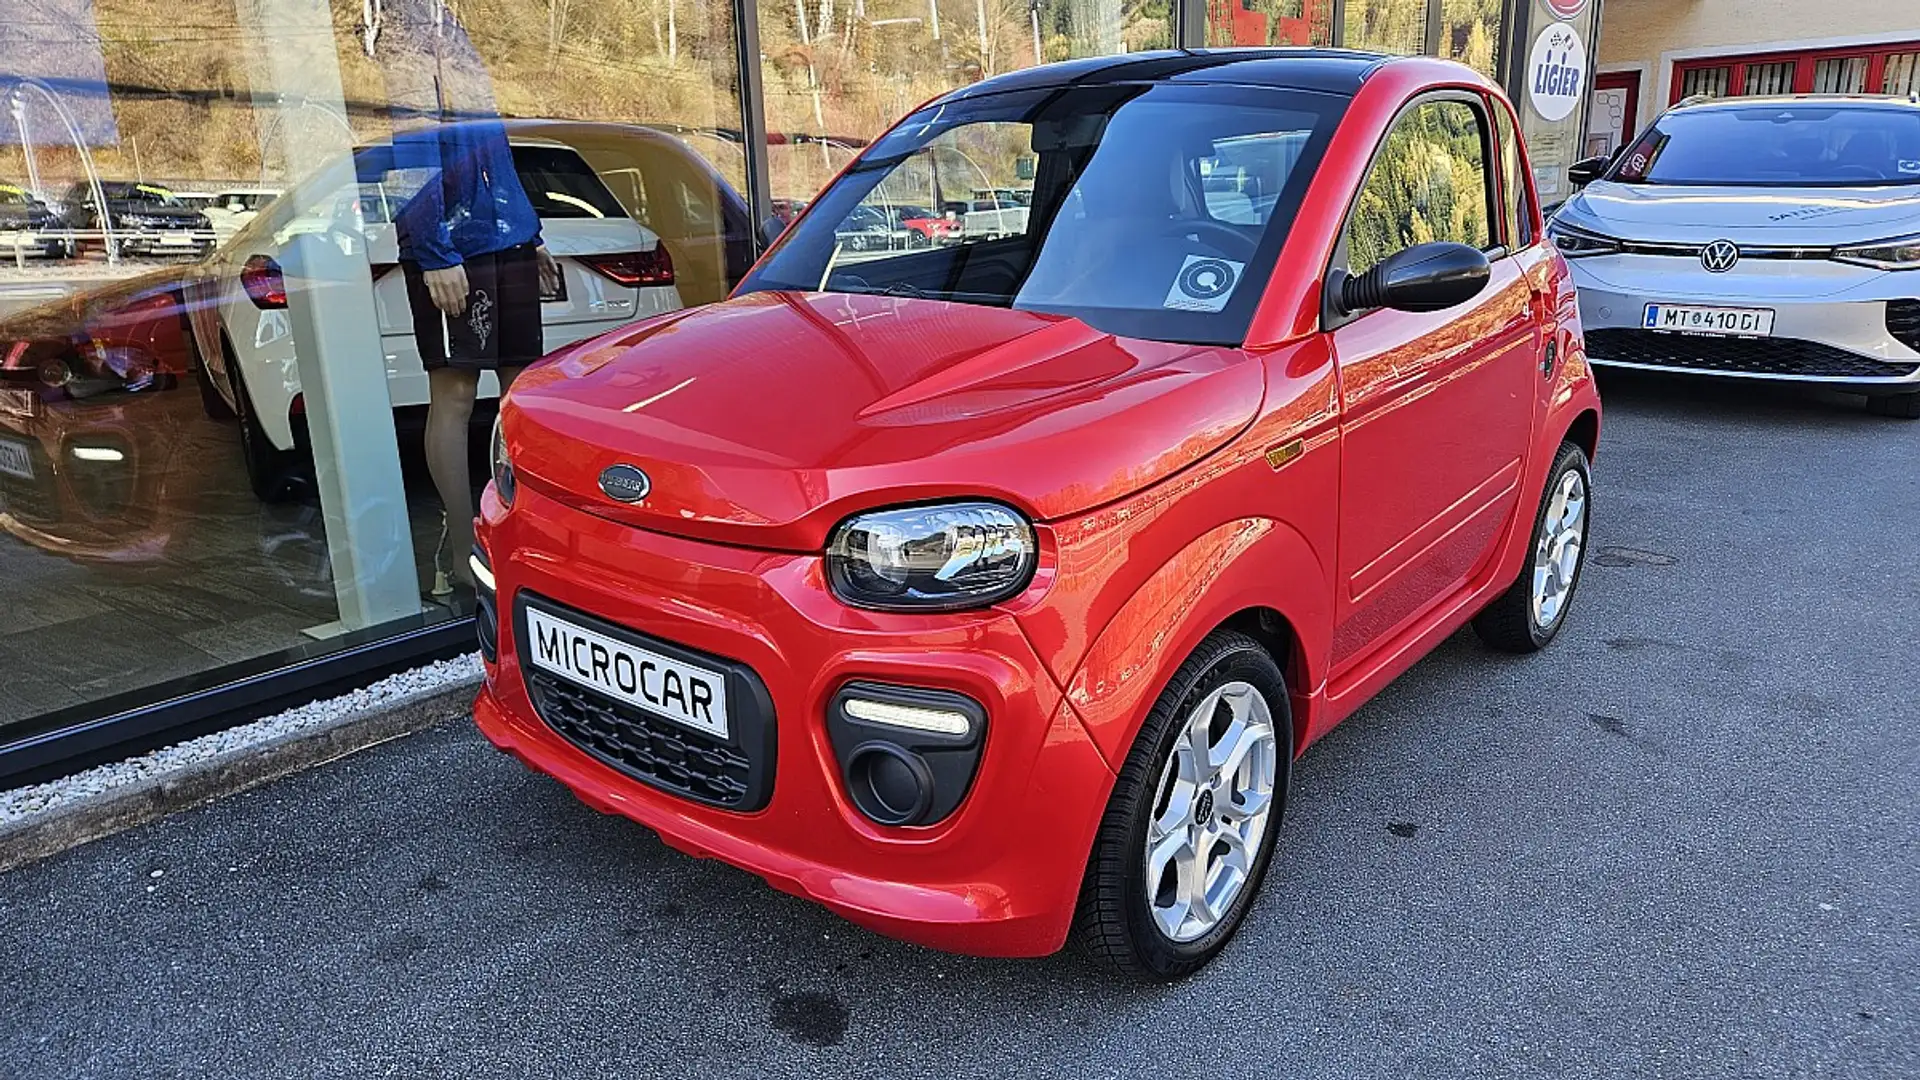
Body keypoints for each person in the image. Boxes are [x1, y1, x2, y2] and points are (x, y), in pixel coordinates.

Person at [377, 0, 558, 597]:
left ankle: (519, 532)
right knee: (453, 396)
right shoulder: (406, 41)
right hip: (453, 249)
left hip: (504, 240)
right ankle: (459, 549)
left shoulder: (456, 37)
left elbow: (494, 148)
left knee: (519, 394)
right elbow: (414, 155)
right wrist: (432, 251)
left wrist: (529, 234)